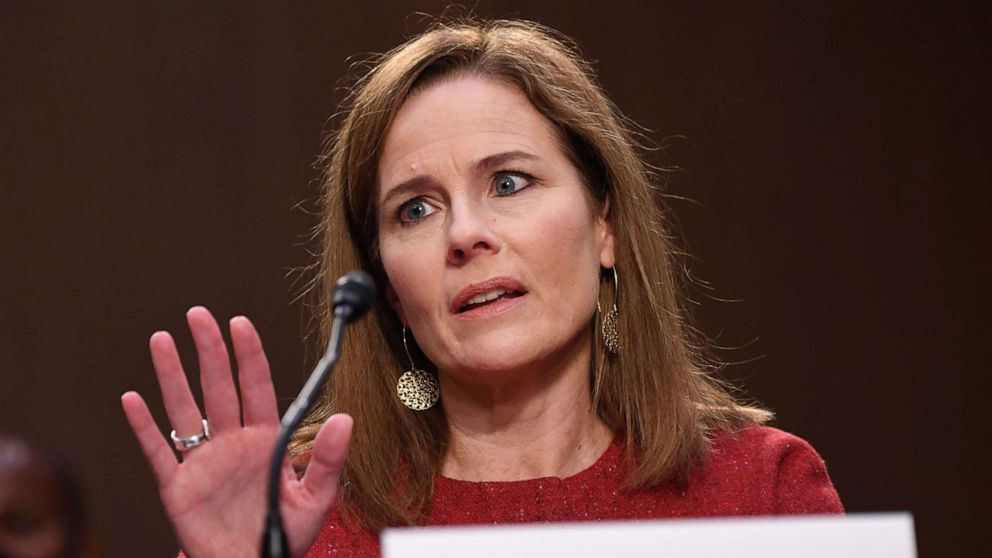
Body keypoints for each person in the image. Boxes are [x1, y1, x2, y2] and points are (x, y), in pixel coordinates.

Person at [121, 18, 842, 558]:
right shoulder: (303, 519)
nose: (464, 234)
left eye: (508, 182)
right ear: (387, 288)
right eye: (416, 209)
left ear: (606, 226)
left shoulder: (762, 491)